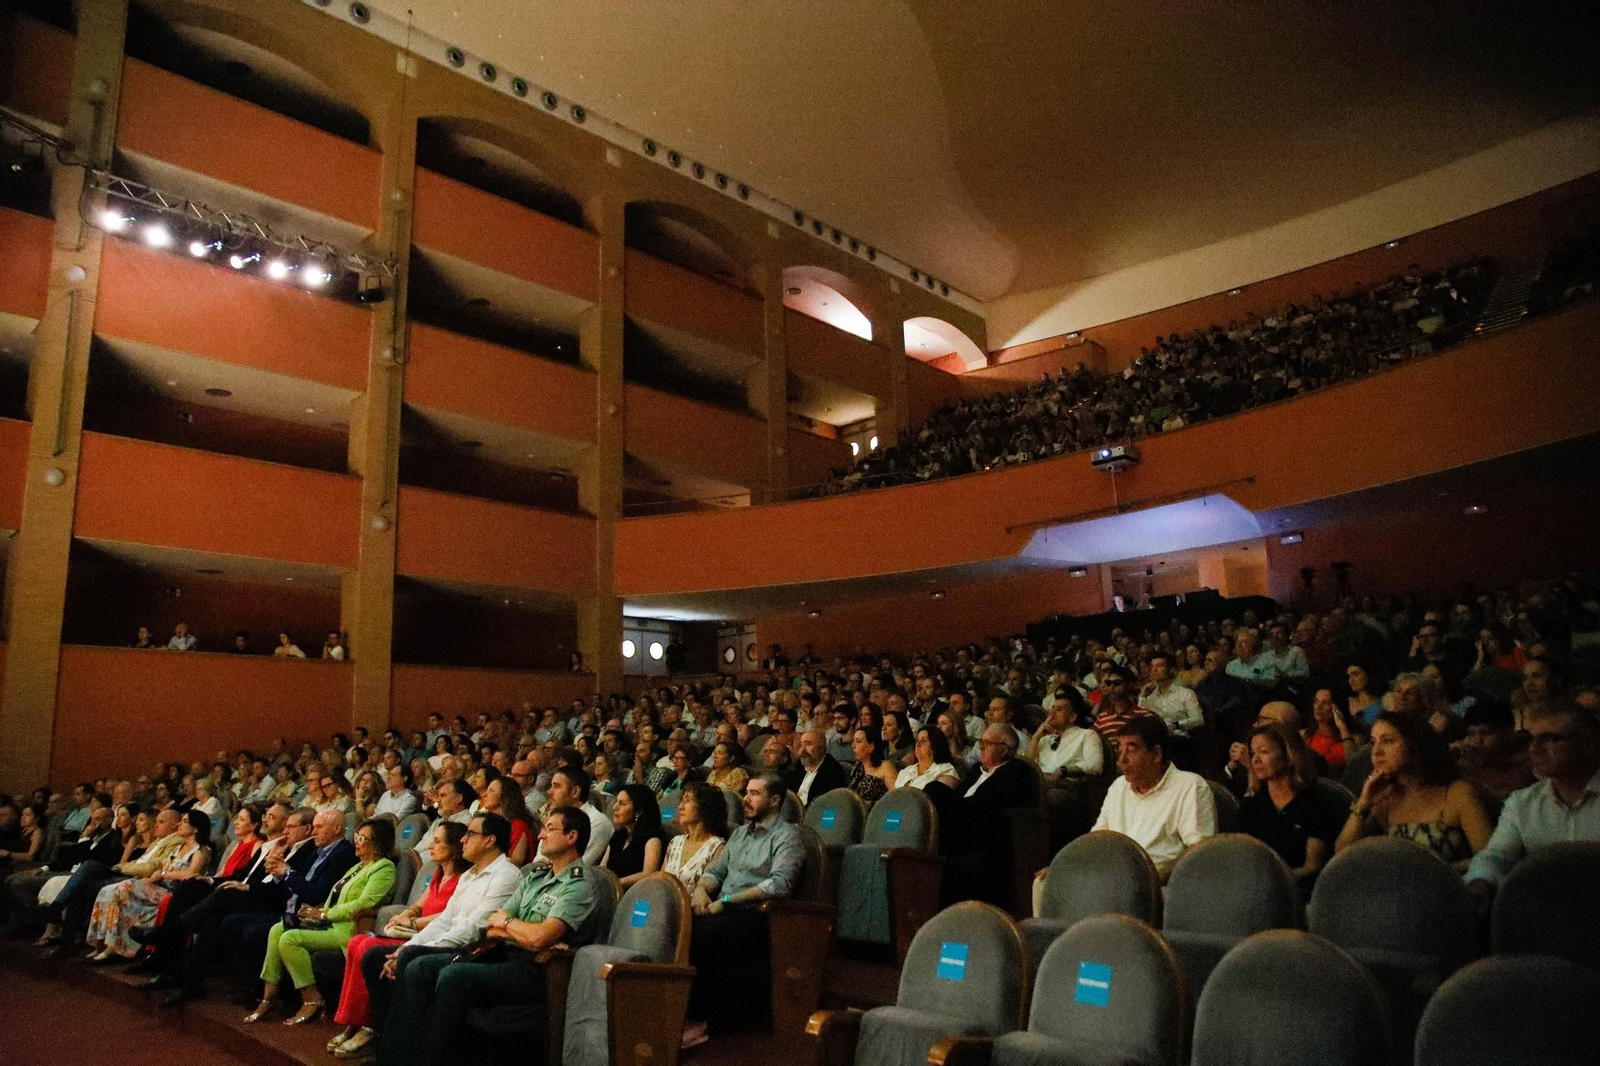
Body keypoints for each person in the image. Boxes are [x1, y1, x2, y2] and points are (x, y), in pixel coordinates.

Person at [373, 809, 600, 1066]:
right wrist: (515, 927)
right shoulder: (536, 876)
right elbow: (492, 925)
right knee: (418, 961)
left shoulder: (578, 885)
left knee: (453, 975)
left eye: (549, 829)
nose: (540, 835)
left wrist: (509, 925)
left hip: (537, 969)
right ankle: (395, 1057)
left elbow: (539, 938)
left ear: (571, 836)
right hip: (501, 952)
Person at [682, 773, 804, 1048]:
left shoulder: (787, 836)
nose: (745, 800)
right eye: (746, 793)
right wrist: (702, 890)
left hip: (759, 915)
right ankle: (675, 1008)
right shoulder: (739, 833)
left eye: (754, 794)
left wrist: (726, 900)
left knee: (704, 936)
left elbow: (779, 885)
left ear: (775, 800)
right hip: (724, 908)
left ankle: (700, 1021)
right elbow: (715, 871)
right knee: (676, 925)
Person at [328, 822, 467, 1058]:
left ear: (453, 847)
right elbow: (418, 905)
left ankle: (370, 1026)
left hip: (432, 939)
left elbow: (448, 917)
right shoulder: (438, 874)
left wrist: (411, 923)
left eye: (437, 841)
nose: (431, 846)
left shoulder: (463, 878)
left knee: (368, 946)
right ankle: (356, 1020)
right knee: (357, 942)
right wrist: (405, 914)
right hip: (414, 933)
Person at [245, 818, 396, 1025]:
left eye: (362, 838)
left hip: (348, 929)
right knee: (277, 929)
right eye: (356, 837)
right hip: (330, 922)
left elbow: (363, 904)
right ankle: (269, 996)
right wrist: (316, 911)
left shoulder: (384, 868)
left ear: (377, 843)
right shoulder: (358, 867)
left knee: (290, 939)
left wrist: (324, 915)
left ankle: (312, 998)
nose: (357, 842)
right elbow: (336, 897)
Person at [1465, 700, 1600, 899]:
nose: (1535, 748)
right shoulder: (1522, 802)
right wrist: (1480, 883)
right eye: (1532, 739)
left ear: (1587, 743)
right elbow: (1497, 855)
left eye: (1550, 739)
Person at [1336, 711, 1494, 867]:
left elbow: (1490, 859)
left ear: (1414, 745)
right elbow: (1343, 857)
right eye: (1373, 742)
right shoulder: (1384, 798)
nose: (1376, 752)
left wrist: (1438, 872)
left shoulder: (1457, 793)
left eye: (1387, 741)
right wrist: (1363, 805)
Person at [1088, 716, 1217, 881]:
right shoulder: (1119, 787)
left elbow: (1199, 852)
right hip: (1114, 880)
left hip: (1161, 886)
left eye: (1131, 749)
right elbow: (1096, 840)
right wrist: (1068, 865)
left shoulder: (1190, 786)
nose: (1122, 759)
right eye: (1120, 749)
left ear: (1156, 754)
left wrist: (1153, 879)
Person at [86, 809, 212, 960]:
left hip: (174, 892)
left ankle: (114, 947)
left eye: (184, 821)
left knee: (120, 889)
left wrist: (164, 875)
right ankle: (102, 943)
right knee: (107, 890)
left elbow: (191, 874)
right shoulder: (178, 848)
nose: (179, 824)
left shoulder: (201, 851)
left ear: (195, 828)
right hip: (158, 885)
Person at [1237, 725, 1344, 886]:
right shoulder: (1249, 807)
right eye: (1252, 753)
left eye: (1263, 752)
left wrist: (1273, 883)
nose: (1255, 760)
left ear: (1288, 755)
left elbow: (1313, 867)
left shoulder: (1316, 803)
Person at [1451, 699, 1535, 800]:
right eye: (1471, 734)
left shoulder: (1529, 759)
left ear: (1508, 733)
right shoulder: (1466, 762)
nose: (1477, 740)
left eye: (1486, 733)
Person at [540, 766, 613, 866]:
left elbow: (580, 865)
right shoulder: (553, 819)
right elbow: (538, 860)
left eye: (556, 786)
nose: (549, 792)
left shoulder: (597, 822)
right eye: (551, 786)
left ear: (575, 792)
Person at [1024, 688, 1104, 779]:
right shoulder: (1043, 739)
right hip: (1041, 785)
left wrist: (1065, 771)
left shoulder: (1087, 735)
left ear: (1072, 717)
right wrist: (1035, 737)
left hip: (1066, 785)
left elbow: (1094, 768)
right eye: (1052, 708)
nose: (1052, 713)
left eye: (1059, 709)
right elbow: (1026, 767)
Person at [662, 782, 727, 888]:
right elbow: (660, 881)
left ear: (704, 807)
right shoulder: (675, 842)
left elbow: (707, 889)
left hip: (692, 904)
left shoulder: (717, 847)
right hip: (664, 902)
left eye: (687, 801)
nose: (680, 807)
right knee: (639, 903)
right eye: (681, 801)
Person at [604, 784, 665, 887]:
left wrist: (616, 883)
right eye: (616, 802)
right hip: (610, 891)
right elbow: (603, 869)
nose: (615, 807)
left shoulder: (652, 840)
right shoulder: (618, 835)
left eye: (622, 804)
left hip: (637, 897)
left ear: (638, 811)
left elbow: (649, 875)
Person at [476, 774, 535, 866]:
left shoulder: (517, 826)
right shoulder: (486, 823)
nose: (484, 794)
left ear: (505, 796)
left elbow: (517, 861)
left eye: (491, 790)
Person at [1304, 687, 1359, 774]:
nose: (1318, 707)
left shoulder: (1354, 738)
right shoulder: (1306, 735)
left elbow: (1354, 767)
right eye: (1316, 701)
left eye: (1325, 703)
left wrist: (1342, 726)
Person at [894, 727, 962, 790]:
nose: (918, 744)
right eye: (917, 740)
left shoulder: (946, 771)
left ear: (935, 746)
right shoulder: (906, 771)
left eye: (923, 740)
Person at [794, 729, 850, 803]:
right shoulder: (798, 767)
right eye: (801, 745)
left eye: (808, 744)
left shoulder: (832, 770)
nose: (802, 749)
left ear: (821, 749)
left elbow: (830, 805)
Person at [847, 726, 897, 805]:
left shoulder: (885, 767)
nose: (853, 745)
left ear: (871, 746)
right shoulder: (857, 766)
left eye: (858, 741)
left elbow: (896, 797)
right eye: (853, 741)